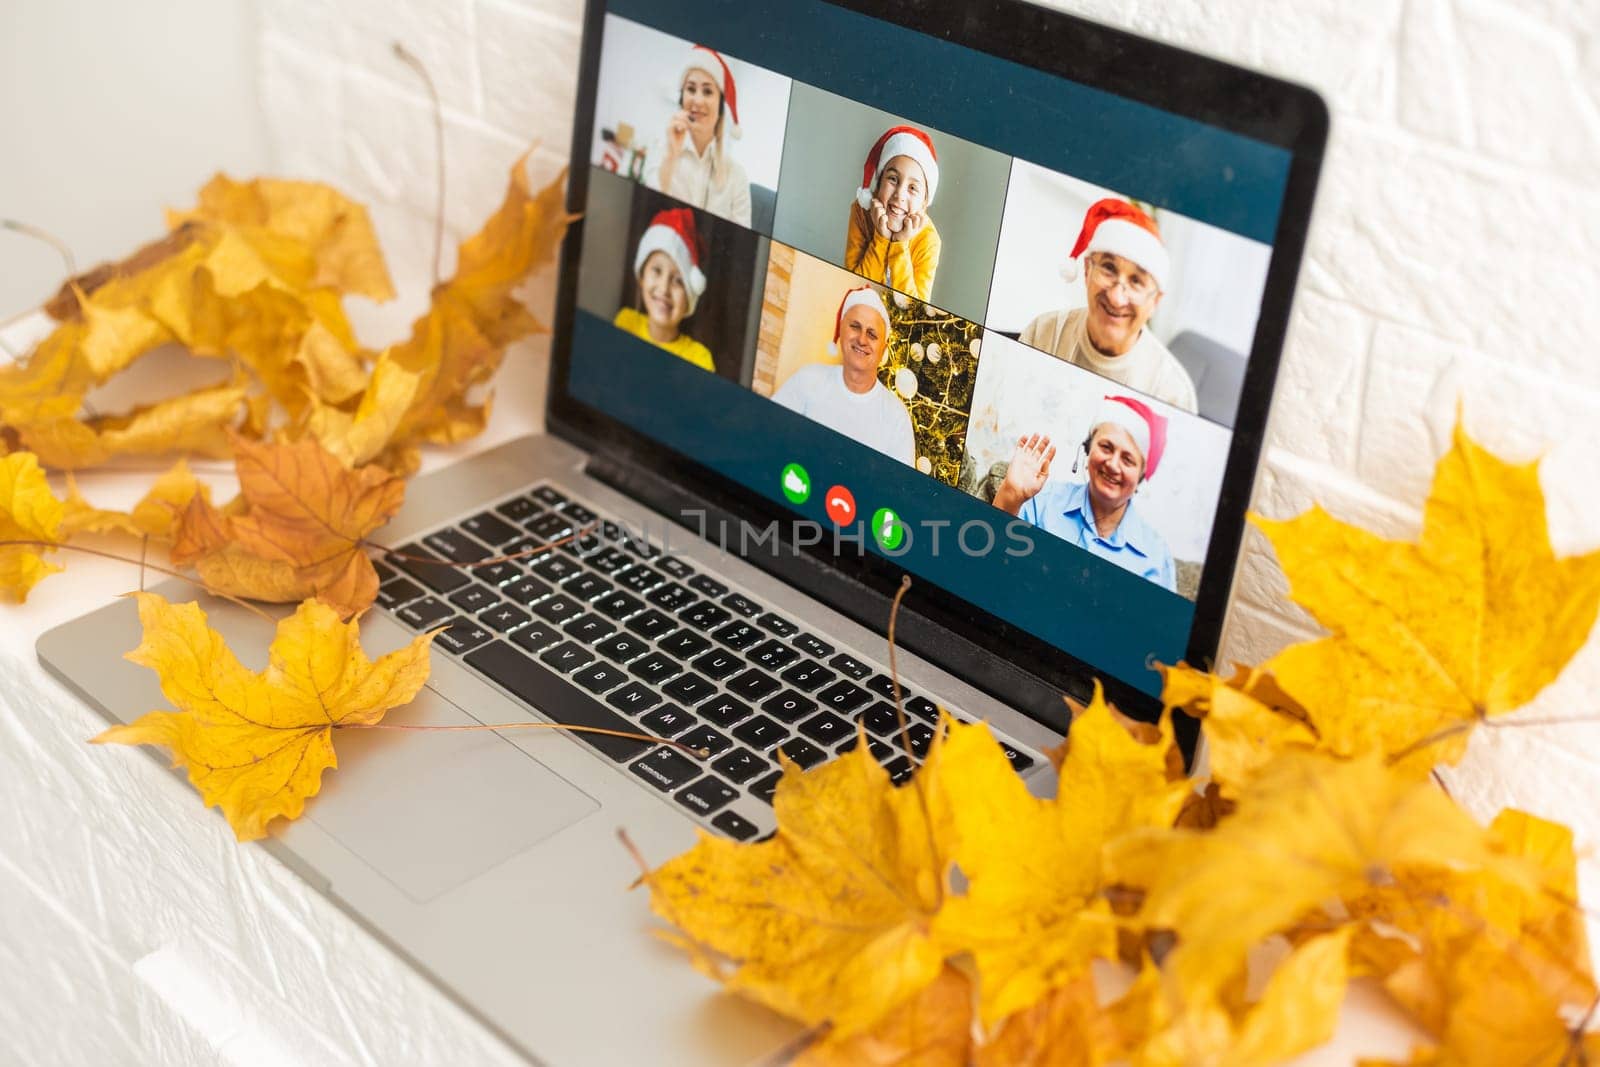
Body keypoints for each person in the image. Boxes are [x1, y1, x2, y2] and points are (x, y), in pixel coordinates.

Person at [1020, 198, 1198, 413]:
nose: (1116, 298)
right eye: (1108, 268)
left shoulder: (1173, 393)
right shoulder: (1043, 334)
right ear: (1087, 271)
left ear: (1155, 302)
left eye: (1136, 281)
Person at [992, 394, 1176, 591]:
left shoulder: (1157, 556)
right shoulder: (1041, 501)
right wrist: (1010, 495)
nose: (1113, 465)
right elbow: (989, 566)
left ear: (1141, 474)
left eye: (1128, 459)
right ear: (1087, 449)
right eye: (1106, 447)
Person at [772, 285, 915, 465]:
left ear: (883, 350)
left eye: (872, 334)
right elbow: (769, 434)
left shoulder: (896, 417)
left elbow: (898, 488)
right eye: (855, 326)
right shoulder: (808, 379)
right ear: (841, 330)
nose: (862, 340)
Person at [648, 45, 752, 226]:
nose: (697, 100)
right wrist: (670, 156)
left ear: (720, 108)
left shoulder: (737, 176)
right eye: (690, 89)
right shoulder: (660, 150)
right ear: (681, 99)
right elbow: (647, 211)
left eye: (707, 91)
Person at [844, 125, 942, 302]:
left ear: (924, 204)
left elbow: (912, 308)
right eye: (893, 179)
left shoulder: (929, 241)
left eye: (913, 188)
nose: (899, 195)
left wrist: (900, 244)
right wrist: (881, 239)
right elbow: (853, 288)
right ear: (879, 182)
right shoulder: (860, 212)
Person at [612, 207, 715, 372]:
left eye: (678, 281)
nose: (664, 288)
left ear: (689, 298)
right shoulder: (625, 323)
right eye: (657, 271)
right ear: (642, 276)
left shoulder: (699, 359)